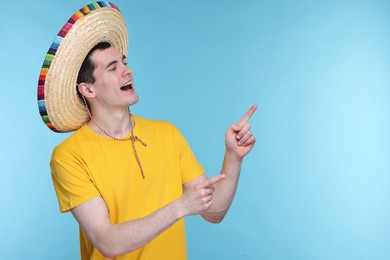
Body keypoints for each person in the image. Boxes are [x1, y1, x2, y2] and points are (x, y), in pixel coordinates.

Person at [37, 2, 257, 260]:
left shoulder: (167, 134)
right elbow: (107, 242)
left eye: (124, 62)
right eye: (112, 68)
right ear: (88, 89)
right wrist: (180, 207)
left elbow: (214, 212)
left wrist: (233, 157)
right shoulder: (69, 156)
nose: (127, 70)